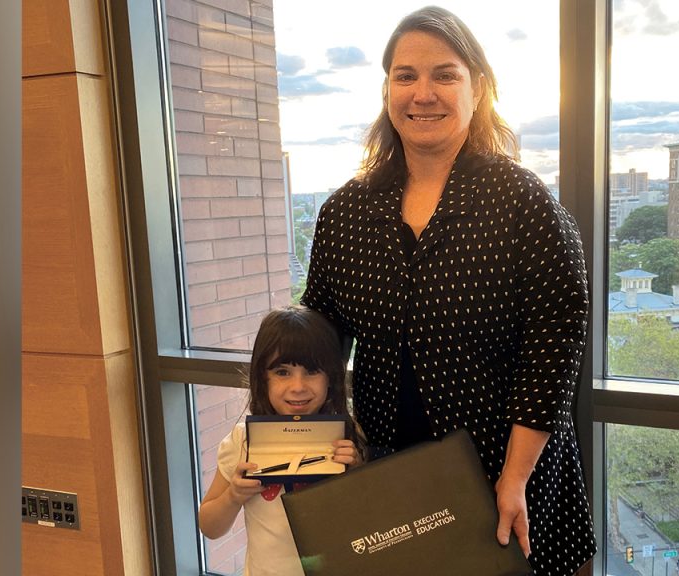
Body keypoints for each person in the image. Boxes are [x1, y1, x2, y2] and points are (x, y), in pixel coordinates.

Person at [301, 6, 595, 575]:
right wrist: (290, 440)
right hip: (386, 477)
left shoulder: (523, 203)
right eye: (405, 76)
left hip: (504, 477)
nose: (423, 94)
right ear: (387, 90)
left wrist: (513, 479)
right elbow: (317, 342)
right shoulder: (346, 212)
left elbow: (553, 353)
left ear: (477, 88)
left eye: (445, 75)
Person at [198, 305, 365, 576]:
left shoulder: (347, 437)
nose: (298, 387)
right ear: (262, 377)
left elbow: (367, 520)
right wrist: (233, 496)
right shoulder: (243, 440)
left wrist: (356, 473)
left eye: (312, 371)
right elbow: (209, 526)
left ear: (330, 378)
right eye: (282, 372)